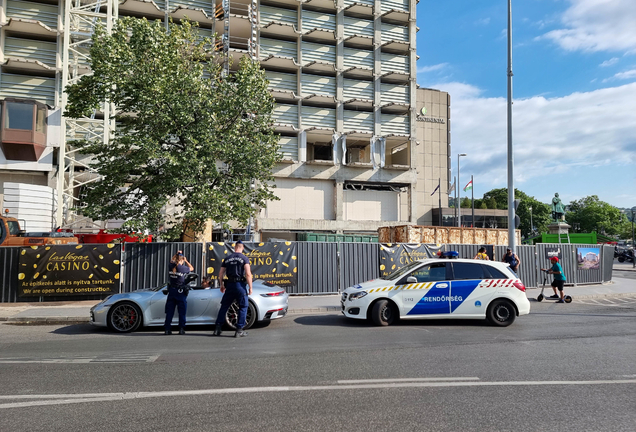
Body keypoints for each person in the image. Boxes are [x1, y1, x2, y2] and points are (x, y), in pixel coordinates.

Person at [214, 240, 253, 338]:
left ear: (235, 247)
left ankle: (218, 328)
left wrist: (222, 285)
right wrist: (250, 288)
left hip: (230, 285)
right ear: (242, 247)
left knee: (224, 306)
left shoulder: (227, 258)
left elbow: (220, 273)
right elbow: (248, 274)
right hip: (239, 285)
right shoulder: (244, 258)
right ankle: (239, 330)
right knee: (243, 306)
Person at [164, 250, 194, 335]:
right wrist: (186, 260)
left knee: (170, 311)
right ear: (181, 260)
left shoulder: (170, 266)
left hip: (172, 291)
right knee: (182, 311)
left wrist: (177, 254)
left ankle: (167, 329)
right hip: (180, 291)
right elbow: (191, 268)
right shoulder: (181, 268)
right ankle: (181, 329)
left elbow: (171, 261)